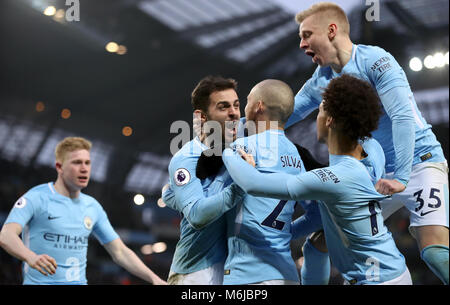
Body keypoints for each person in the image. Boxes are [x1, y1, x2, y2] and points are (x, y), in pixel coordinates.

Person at [285, 2, 448, 285]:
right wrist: (236, 134)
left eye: (307, 35)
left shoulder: (375, 60)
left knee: (434, 253)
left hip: (420, 164)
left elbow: (402, 118)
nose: (301, 44)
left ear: (331, 30)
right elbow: (281, 114)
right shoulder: (321, 79)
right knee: (318, 243)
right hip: (378, 174)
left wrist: (401, 177)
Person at [223, 74, 412, 285]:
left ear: (330, 120)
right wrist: (285, 231)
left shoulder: (332, 177)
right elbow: (318, 216)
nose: (316, 118)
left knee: (319, 242)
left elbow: (253, 184)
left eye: (320, 111)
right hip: (392, 269)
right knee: (317, 242)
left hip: (377, 280)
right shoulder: (371, 150)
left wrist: (230, 151)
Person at [0, 137, 166, 285]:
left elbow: (120, 251)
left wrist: (155, 279)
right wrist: (31, 257)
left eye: (87, 163)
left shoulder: (92, 206)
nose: (84, 168)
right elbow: (6, 235)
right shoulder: (36, 197)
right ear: (59, 167)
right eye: (77, 162)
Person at [221, 79, 307, 285]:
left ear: (258, 106)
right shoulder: (296, 155)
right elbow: (317, 213)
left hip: (248, 273)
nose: (244, 108)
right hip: (286, 273)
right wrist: (286, 231)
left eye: (248, 101)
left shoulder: (241, 147)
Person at [161, 75, 245, 285]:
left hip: (232, 271)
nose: (234, 113)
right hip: (194, 272)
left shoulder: (243, 145)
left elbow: (282, 109)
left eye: (236, 105)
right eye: (223, 107)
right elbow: (197, 215)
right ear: (202, 116)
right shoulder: (186, 158)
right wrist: (242, 186)